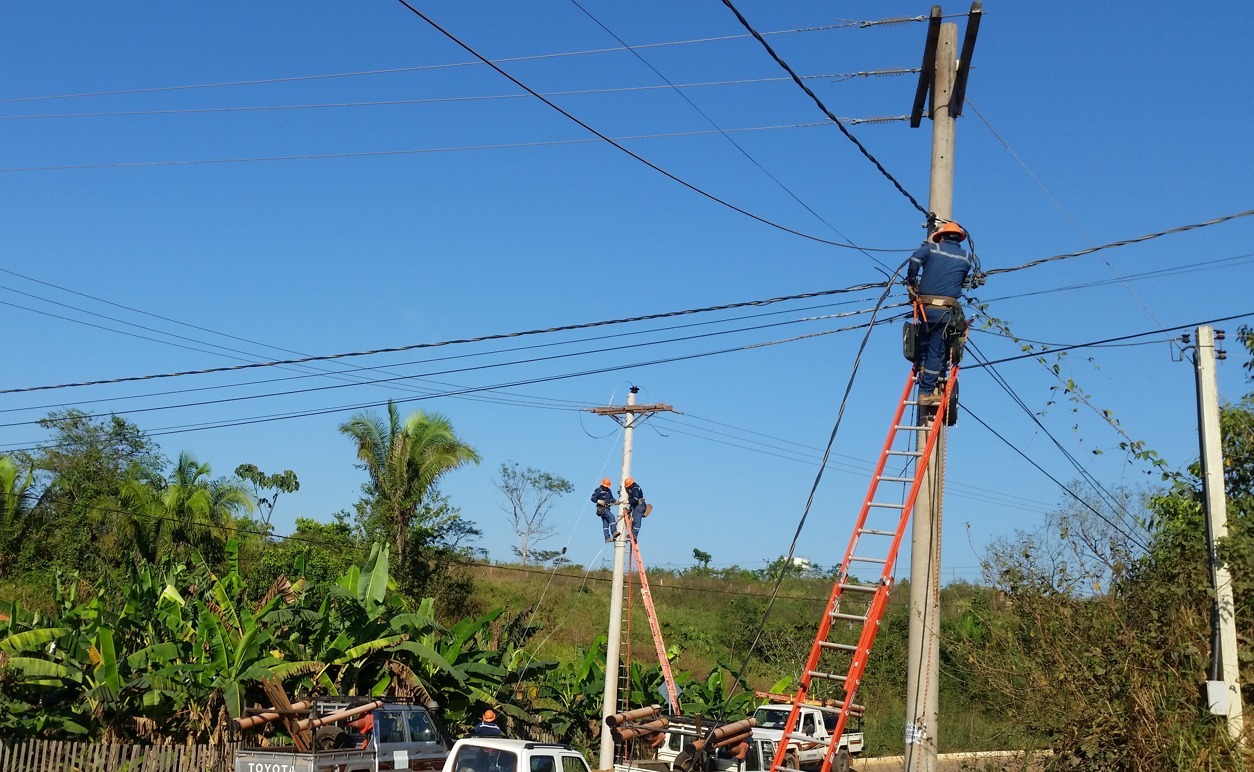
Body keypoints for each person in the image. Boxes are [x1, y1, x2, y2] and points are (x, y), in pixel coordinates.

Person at [906, 220, 975, 406]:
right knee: (937, 350)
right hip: (946, 310)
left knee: (926, 339)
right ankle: (926, 393)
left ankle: (922, 368)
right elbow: (960, 278)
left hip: (925, 308)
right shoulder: (967, 257)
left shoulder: (931, 249)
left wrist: (911, 282)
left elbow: (914, 260)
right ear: (958, 238)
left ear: (942, 236)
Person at [590, 478, 618, 542]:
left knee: (606, 523)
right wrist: (598, 501)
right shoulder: (598, 490)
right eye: (605, 486)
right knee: (611, 517)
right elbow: (593, 498)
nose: (606, 488)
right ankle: (614, 532)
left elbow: (611, 499)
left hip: (607, 508)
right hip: (602, 508)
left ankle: (607, 538)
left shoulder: (608, 490)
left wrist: (616, 501)